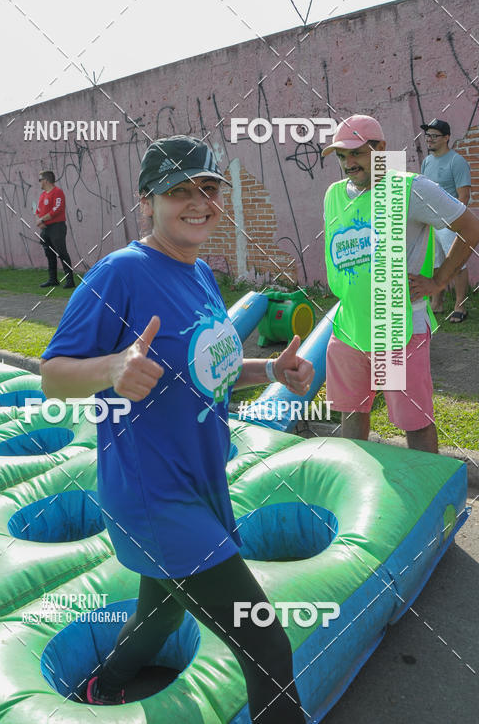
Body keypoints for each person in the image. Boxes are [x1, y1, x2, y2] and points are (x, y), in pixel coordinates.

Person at [41, 135, 313, 722]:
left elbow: (206, 372)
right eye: (179, 192)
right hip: (153, 497)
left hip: (200, 482)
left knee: (162, 610)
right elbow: (53, 376)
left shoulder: (200, 274)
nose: (199, 202)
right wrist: (111, 369)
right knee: (266, 643)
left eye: (208, 190)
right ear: (146, 201)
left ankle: (103, 685)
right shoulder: (121, 274)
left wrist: (271, 369)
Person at [322, 115, 479, 454]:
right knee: (352, 414)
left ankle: (429, 501)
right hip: (349, 327)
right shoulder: (334, 195)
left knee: (415, 423)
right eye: (341, 156)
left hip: (398, 327)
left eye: (357, 153)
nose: (349, 164)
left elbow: (470, 227)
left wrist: (439, 281)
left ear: (380, 150)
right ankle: (355, 488)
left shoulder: (410, 188)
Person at [420, 118, 472, 322]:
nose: (429, 140)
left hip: (450, 222)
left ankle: (460, 306)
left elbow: (464, 196)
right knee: (435, 263)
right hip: (431, 222)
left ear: (447, 138)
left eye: (434, 136)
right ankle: (437, 303)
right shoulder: (427, 161)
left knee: (456, 264)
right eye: (427, 136)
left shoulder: (456, 161)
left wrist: (454, 222)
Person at [35, 170, 75, 288]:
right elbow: (37, 211)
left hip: (57, 227)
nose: (39, 183)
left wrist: (42, 219)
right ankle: (53, 279)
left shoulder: (58, 192)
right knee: (49, 254)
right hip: (45, 229)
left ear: (46, 180)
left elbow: (57, 209)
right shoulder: (42, 195)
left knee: (62, 253)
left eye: (40, 180)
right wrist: (39, 221)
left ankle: (70, 280)